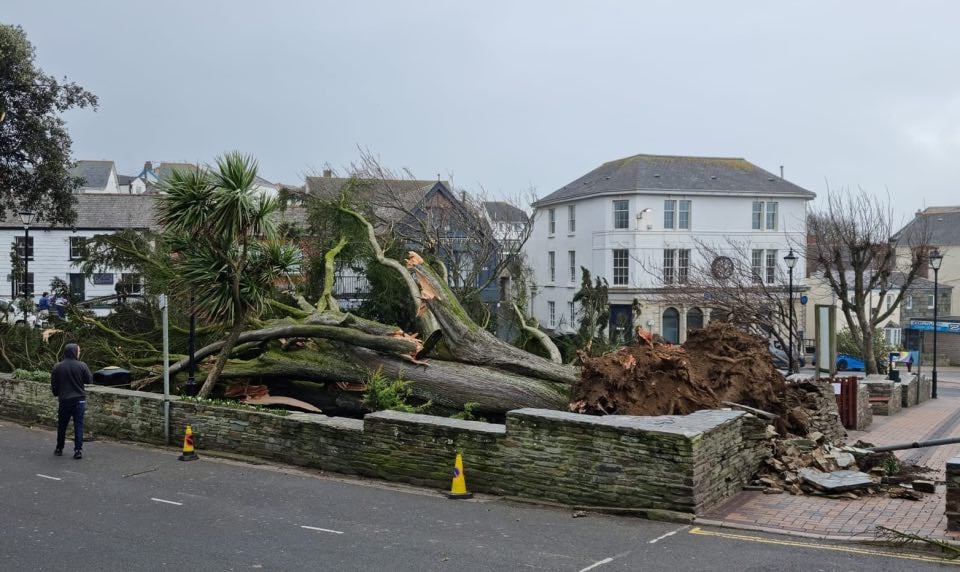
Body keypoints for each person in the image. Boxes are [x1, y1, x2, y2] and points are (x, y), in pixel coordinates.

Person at [50, 343, 92, 459]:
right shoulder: (82, 365)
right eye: (78, 351)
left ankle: (59, 448)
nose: (79, 353)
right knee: (78, 425)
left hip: (64, 400)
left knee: (62, 426)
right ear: (74, 352)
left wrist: (57, 393)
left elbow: (54, 384)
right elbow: (89, 380)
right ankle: (78, 450)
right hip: (79, 400)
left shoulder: (58, 366)